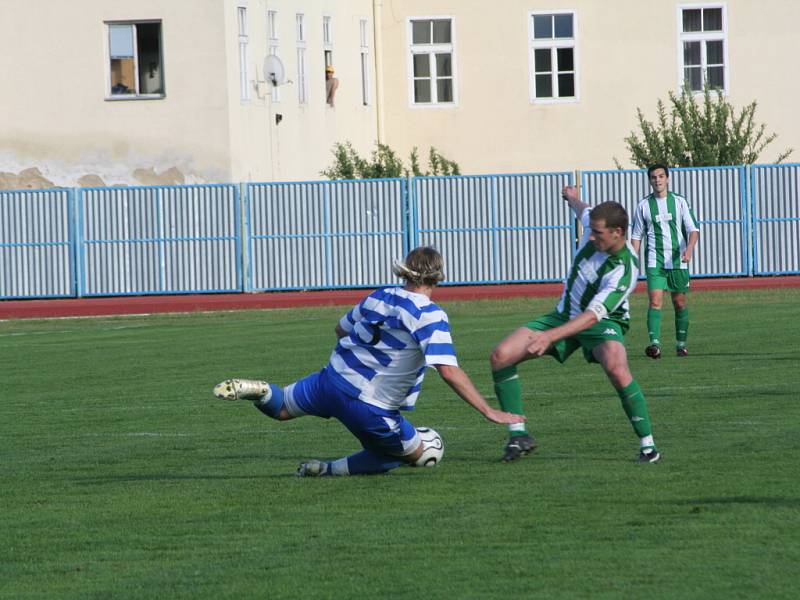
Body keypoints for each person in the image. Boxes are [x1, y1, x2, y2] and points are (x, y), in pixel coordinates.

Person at [214, 246, 525, 476]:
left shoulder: (380, 295)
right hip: (370, 405)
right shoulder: (430, 314)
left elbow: (340, 329)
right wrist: (488, 410)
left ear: (406, 271)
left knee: (280, 408)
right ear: (438, 276)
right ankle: (327, 470)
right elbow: (447, 370)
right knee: (413, 454)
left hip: (330, 380)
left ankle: (261, 389)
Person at [489, 186, 661, 464]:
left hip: (602, 323)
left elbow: (593, 316)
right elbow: (583, 210)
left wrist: (549, 337)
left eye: (598, 233)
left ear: (618, 232)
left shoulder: (624, 269)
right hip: (563, 314)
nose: (590, 236)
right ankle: (518, 434)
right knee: (501, 356)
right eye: (590, 230)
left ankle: (648, 446)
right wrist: (571, 197)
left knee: (617, 367)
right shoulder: (594, 223)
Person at [631, 164, 700, 358]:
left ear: (667, 178)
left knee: (679, 303)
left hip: (678, 260)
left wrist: (689, 249)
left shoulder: (679, 202)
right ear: (650, 180)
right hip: (655, 262)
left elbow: (693, 230)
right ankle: (655, 345)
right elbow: (636, 236)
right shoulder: (643, 205)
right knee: (655, 302)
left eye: (661, 176)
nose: (657, 180)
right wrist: (632, 261)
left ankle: (681, 345)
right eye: (654, 177)